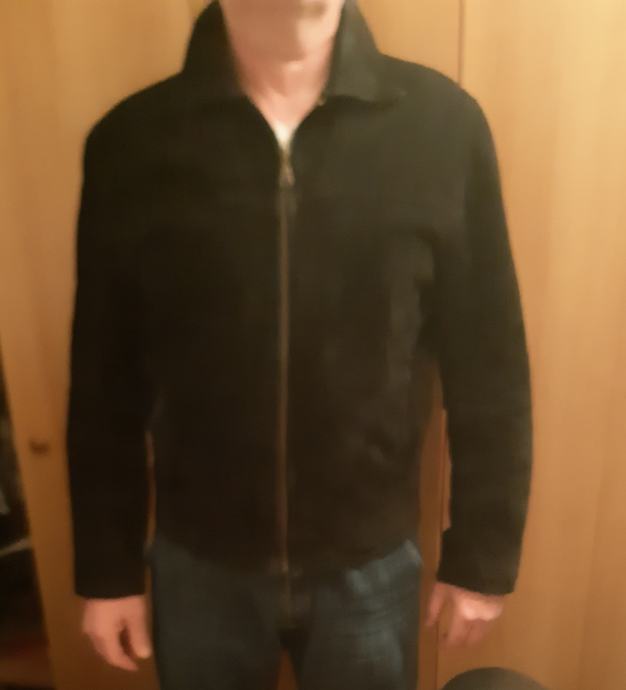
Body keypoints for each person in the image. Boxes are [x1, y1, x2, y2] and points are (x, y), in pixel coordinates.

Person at [65, 1, 533, 688]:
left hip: (370, 567)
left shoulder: (443, 129)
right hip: (199, 566)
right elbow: (103, 378)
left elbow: (489, 361)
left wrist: (482, 556)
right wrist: (107, 570)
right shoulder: (130, 143)